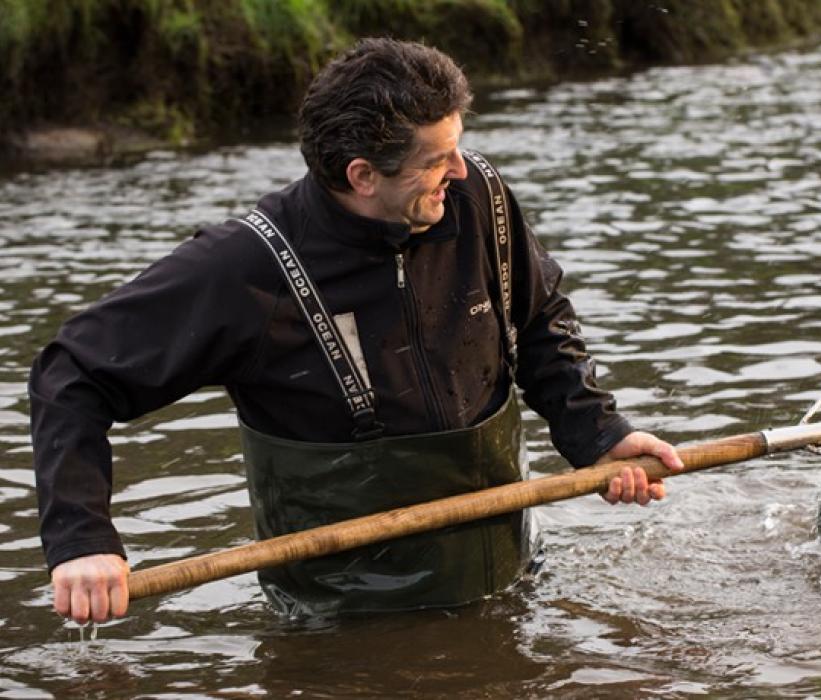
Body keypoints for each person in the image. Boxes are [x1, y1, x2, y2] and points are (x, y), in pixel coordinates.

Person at [29, 38, 683, 624]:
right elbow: (71, 375)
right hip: (341, 618)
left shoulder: (477, 194)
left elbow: (537, 318)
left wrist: (598, 435)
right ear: (362, 176)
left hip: (507, 581)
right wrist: (81, 540)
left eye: (459, 148)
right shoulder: (243, 269)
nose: (459, 173)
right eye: (437, 160)